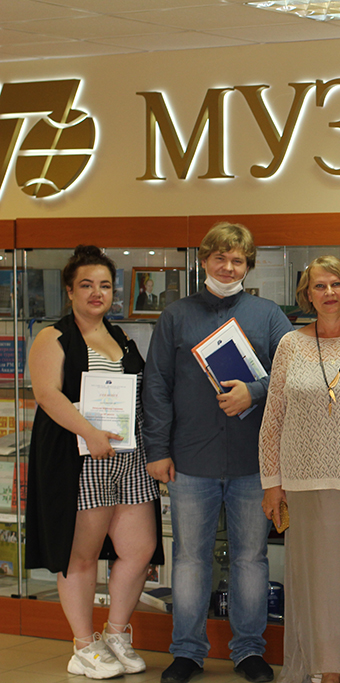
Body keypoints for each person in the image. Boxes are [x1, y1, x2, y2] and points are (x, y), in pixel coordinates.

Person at [143, 223, 293, 683]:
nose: (228, 268)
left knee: (251, 559)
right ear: (204, 260)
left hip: (254, 464)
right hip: (191, 462)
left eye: (238, 260)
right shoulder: (176, 316)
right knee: (190, 559)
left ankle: (249, 651)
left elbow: (294, 374)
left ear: (249, 266)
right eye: (220, 258)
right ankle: (187, 652)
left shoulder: (268, 315)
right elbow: (157, 386)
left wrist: (254, 391)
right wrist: (157, 450)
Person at [25, 245, 162, 679]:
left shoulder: (120, 336)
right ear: (70, 290)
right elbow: (47, 394)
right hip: (80, 458)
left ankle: (116, 633)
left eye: (104, 285)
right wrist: (89, 432)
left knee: (139, 549)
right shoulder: (53, 337)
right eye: (86, 285)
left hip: (130, 458)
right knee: (80, 555)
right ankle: (84, 645)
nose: (96, 293)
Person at [260, 256, 340, 683]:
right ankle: (320, 667)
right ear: (307, 295)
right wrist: (272, 483)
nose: (329, 292)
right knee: (312, 580)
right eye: (319, 286)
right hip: (301, 481)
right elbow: (273, 417)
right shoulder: (290, 345)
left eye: (336, 283)